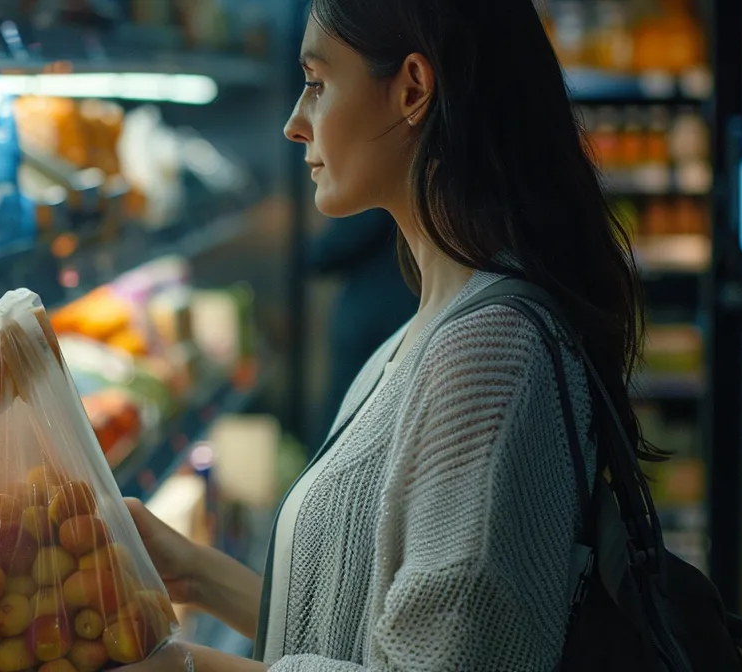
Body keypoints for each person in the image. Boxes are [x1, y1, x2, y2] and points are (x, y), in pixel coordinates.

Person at [118, 0, 649, 669]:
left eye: (316, 83)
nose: (293, 124)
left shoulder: (489, 362)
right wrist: (195, 573)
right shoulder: (436, 324)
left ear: (412, 90)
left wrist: (179, 667)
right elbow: (377, 630)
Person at [307, 208, 414, 452]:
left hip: (371, 328)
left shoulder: (378, 197)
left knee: (344, 427)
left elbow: (328, 253)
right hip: (389, 320)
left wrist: (309, 250)